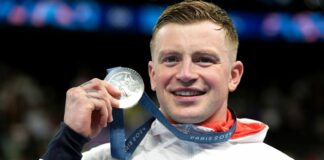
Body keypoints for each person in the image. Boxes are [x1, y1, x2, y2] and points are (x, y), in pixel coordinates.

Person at [41, 0, 293, 159]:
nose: (185, 74)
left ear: (233, 76)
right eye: (171, 59)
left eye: (204, 59)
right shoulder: (104, 158)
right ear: (152, 75)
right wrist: (69, 139)